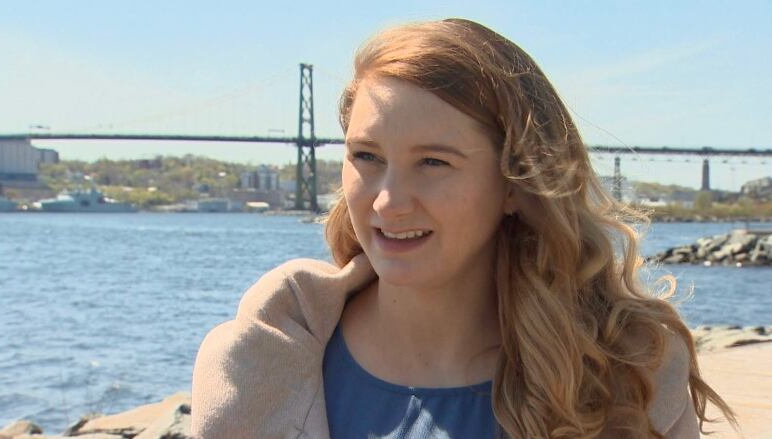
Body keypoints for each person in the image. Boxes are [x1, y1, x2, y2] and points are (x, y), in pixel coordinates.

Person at [191, 18, 739, 438]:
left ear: (515, 185)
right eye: (366, 156)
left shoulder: (627, 371)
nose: (389, 200)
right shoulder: (259, 361)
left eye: (433, 162)